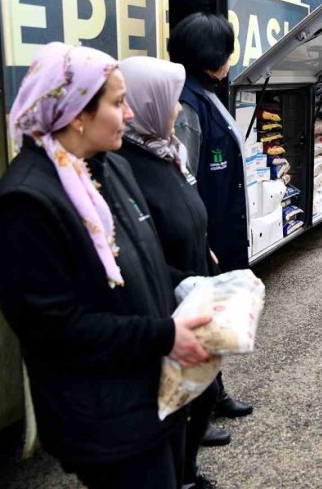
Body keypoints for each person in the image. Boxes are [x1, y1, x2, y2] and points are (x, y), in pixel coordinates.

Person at [0, 43, 210, 489]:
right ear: (76, 114)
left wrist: (199, 289)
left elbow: (140, 266)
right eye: (118, 102)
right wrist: (166, 335)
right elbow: (56, 329)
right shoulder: (25, 203)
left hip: (151, 395)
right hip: (105, 420)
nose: (128, 115)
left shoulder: (110, 169)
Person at [117, 56, 220, 489]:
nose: (178, 108)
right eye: (171, 99)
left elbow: (184, 205)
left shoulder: (165, 148)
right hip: (167, 303)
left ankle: (186, 472)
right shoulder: (128, 163)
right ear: (150, 103)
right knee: (185, 400)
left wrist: (205, 245)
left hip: (190, 283)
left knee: (204, 393)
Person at [170, 12, 253, 444]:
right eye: (227, 48)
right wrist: (202, 242)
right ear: (213, 55)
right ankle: (197, 415)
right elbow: (185, 180)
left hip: (219, 229)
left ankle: (215, 393)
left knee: (216, 319)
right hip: (207, 237)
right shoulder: (187, 105)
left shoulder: (203, 92)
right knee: (202, 321)